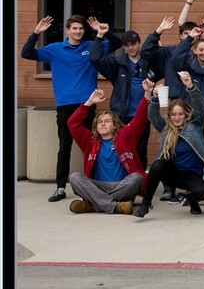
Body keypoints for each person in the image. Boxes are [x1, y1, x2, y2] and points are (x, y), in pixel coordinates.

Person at [22, 14, 122, 203]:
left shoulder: (92, 46)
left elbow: (117, 43)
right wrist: (36, 33)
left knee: (93, 145)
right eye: (74, 28)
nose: (78, 31)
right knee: (64, 146)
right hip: (65, 104)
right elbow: (26, 53)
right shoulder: (55, 49)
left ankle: (93, 184)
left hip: (87, 103)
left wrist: (102, 31)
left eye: (81, 28)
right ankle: (60, 188)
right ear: (67, 31)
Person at [64, 83, 150, 215]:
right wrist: (89, 102)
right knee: (75, 177)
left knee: (137, 178)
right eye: (99, 122)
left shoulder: (125, 136)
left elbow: (140, 119)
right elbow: (72, 123)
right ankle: (114, 206)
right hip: (98, 185)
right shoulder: (90, 141)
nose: (103, 124)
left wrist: (147, 95)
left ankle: (94, 204)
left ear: (115, 125)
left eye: (107, 121)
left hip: (122, 186)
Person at [139, 72, 204, 217]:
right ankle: (145, 204)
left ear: (185, 115)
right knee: (157, 165)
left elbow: (200, 107)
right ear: (170, 116)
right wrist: (154, 98)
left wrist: (190, 86)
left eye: (180, 114)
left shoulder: (194, 125)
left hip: (191, 175)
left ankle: (191, 199)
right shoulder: (166, 128)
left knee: (203, 192)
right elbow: (152, 116)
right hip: (173, 173)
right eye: (173, 115)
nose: (177, 118)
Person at [89, 27, 153, 168]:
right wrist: (100, 36)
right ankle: (122, 181)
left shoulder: (149, 63)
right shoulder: (116, 63)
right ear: (123, 47)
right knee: (121, 148)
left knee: (140, 149)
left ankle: (140, 183)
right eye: (126, 45)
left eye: (133, 44)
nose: (130, 48)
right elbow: (94, 59)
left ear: (139, 43)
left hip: (142, 114)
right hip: (121, 114)